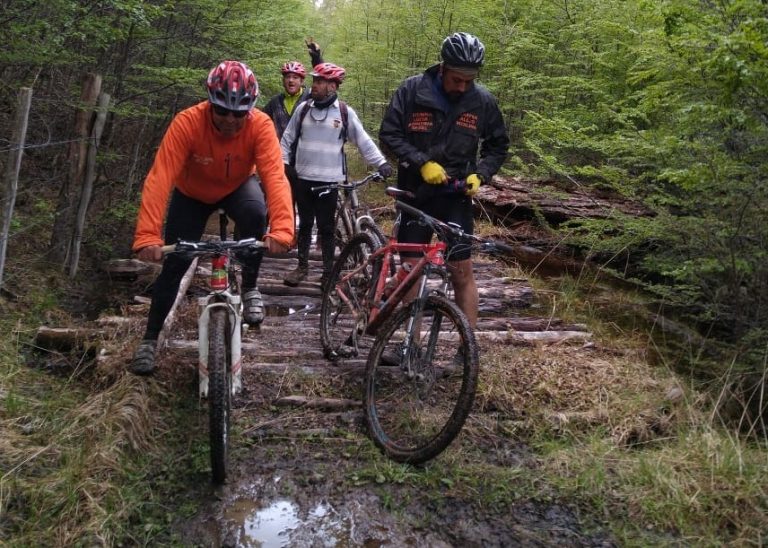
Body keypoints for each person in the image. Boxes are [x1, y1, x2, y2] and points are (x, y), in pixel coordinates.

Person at [129, 60, 294, 376]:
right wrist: (147, 235)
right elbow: (160, 178)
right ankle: (149, 339)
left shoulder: (260, 126)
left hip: (237, 187)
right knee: (174, 263)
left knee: (255, 213)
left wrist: (284, 228)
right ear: (210, 103)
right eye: (222, 112)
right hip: (192, 193)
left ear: (251, 108)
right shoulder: (187, 123)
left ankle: (251, 286)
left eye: (239, 113)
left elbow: (275, 176)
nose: (231, 120)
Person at [378, 32, 509, 332]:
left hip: (456, 198)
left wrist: (482, 174)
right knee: (412, 270)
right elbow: (389, 135)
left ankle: (466, 348)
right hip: (416, 193)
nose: (462, 86)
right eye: (456, 79)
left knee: (461, 271)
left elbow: (498, 146)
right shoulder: (412, 90)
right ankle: (410, 344)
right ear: (443, 68)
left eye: (469, 80)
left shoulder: (482, 101)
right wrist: (421, 163)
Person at [280, 61, 393, 288]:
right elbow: (287, 139)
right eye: (314, 80)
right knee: (304, 226)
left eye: (320, 81)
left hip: (329, 182)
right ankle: (302, 267)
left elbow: (363, 140)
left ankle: (327, 273)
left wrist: (380, 162)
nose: (315, 85)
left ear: (333, 86)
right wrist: (283, 164)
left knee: (327, 228)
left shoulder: (343, 112)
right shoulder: (303, 110)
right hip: (303, 179)